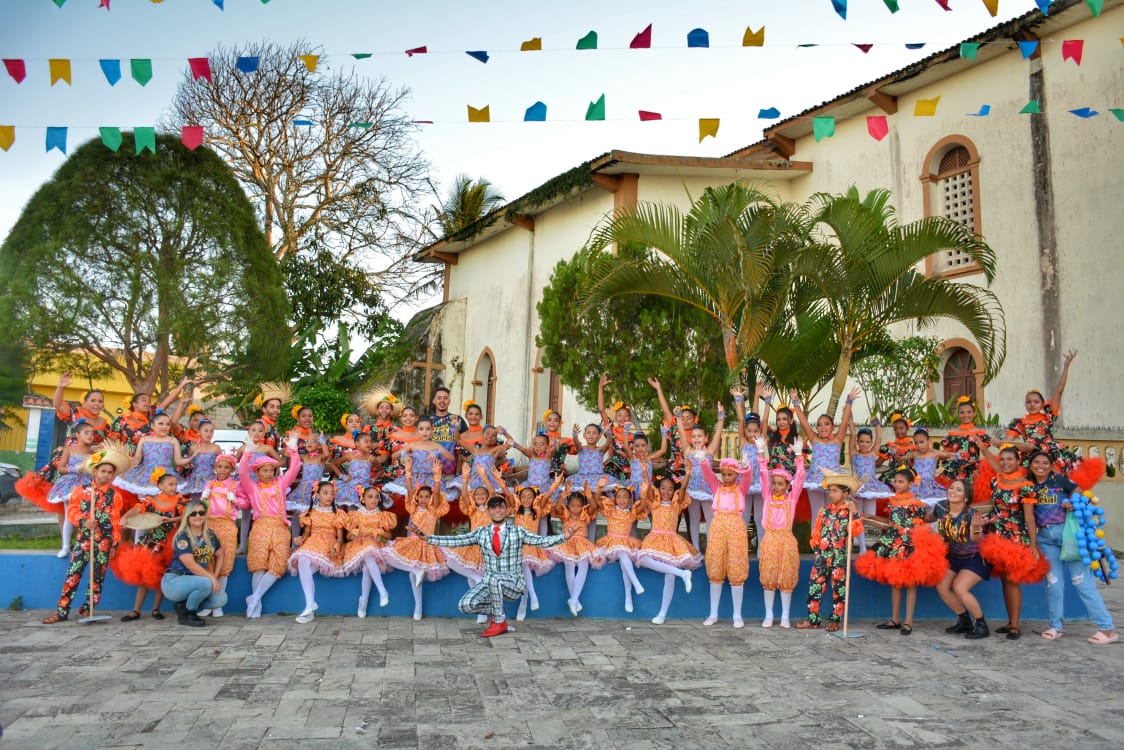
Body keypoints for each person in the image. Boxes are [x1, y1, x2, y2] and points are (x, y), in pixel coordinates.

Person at [411, 495, 576, 637]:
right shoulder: (482, 533)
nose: (497, 511)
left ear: (507, 510)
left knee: (494, 578)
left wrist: (564, 537)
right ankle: (500, 616)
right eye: (494, 508)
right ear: (489, 512)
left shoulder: (518, 532)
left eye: (501, 507)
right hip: (491, 583)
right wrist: (428, 538)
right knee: (465, 605)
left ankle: (497, 623)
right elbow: (457, 540)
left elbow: (541, 541)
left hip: (513, 583)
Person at [1028, 452, 1117, 645]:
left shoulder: (1060, 480)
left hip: (1071, 536)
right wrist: (1033, 544)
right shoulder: (1028, 485)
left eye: (1045, 462)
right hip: (1046, 539)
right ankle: (1056, 626)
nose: (1040, 466)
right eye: (1036, 462)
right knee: (1054, 584)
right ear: (1030, 465)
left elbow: (1080, 492)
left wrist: (1072, 502)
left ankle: (1107, 628)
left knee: (1082, 582)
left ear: (1051, 465)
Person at [42, 440, 131, 624]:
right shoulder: (81, 491)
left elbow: (115, 521)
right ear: (95, 471)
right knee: (73, 574)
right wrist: (83, 521)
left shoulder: (115, 496)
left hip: (104, 541)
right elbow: (72, 512)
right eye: (103, 471)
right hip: (84, 540)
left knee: (97, 578)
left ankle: (87, 609)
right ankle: (62, 611)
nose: (106, 475)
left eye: (110, 472)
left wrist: (115, 543)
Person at [855, 467, 949, 636]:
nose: (897, 484)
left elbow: (920, 525)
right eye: (895, 481)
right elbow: (890, 524)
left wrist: (907, 531)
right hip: (893, 543)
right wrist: (870, 518)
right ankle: (895, 619)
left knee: (910, 583)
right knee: (896, 582)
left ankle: (908, 622)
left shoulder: (915, 503)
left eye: (901, 482)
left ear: (910, 483)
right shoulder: (892, 501)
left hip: (909, 544)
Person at [974, 440, 1048, 640]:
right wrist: (984, 448)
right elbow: (995, 466)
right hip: (997, 534)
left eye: (1010, 459)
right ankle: (1010, 622)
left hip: (1015, 536)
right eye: (1003, 459)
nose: (1005, 462)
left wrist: (1033, 545)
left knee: (1012, 580)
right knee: (1005, 580)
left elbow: (1029, 517)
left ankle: (1015, 625)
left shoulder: (1025, 485)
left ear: (1018, 461)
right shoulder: (997, 479)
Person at [381, 457, 451, 620]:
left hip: (427, 545)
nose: (424, 499)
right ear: (417, 498)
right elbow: (409, 490)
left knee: (415, 575)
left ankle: (418, 606)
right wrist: (408, 473)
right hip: (412, 542)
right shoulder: (413, 508)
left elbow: (437, 495)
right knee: (391, 557)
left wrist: (437, 477)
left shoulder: (434, 510)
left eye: (427, 496)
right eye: (421, 496)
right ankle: (418, 605)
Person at [114, 468, 188, 622]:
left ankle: (156, 609)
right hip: (153, 541)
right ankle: (136, 610)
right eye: (170, 484)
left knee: (162, 575)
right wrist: (125, 517)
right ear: (160, 486)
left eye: (175, 484)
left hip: (170, 542)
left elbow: (188, 515)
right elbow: (137, 509)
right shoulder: (151, 501)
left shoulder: (180, 500)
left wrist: (172, 520)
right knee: (145, 575)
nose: (174, 487)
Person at [242, 434, 302, 619]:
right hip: (260, 526)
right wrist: (247, 452)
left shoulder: (281, 483)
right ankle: (256, 606)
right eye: (264, 470)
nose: (268, 473)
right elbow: (243, 472)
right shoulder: (252, 487)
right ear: (257, 473)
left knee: (278, 565)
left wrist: (293, 450)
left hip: (280, 527)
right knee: (258, 565)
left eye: (271, 470)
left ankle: (254, 597)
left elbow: (294, 469)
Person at [796, 470, 864, 632]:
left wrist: (854, 512)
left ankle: (835, 620)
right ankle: (813, 619)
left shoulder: (849, 512)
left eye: (835, 491)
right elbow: (816, 532)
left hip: (840, 556)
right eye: (830, 491)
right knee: (815, 587)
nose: (831, 494)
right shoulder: (824, 511)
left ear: (845, 493)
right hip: (822, 555)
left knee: (839, 589)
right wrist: (816, 550)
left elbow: (856, 531)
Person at [929, 479, 991, 639]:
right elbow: (929, 518)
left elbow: (976, 539)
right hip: (953, 557)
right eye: (952, 488)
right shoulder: (941, 507)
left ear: (966, 497)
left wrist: (976, 528)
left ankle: (981, 625)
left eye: (958, 490)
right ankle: (964, 621)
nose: (953, 491)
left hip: (975, 558)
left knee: (960, 588)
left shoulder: (972, 515)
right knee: (942, 587)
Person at [754, 436, 806, 629]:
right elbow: (762, 474)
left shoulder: (791, 500)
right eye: (774, 483)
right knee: (768, 578)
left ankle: (785, 615)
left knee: (786, 578)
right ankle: (769, 614)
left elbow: (800, 478)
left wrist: (799, 456)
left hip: (786, 541)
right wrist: (761, 453)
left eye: (780, 484)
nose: (776, 487)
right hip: (769, 540)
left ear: (787, 486)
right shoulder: (767, 497)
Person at [699, 454, 755, 628]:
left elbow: (748, 477)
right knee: (716, 565)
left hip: (736, 527)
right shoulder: (717, 487)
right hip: (718, 526)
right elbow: (708, 474)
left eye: (730, 474)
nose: (726, 477)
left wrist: (746, 467)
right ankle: (713, 613)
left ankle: (737, 615)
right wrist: (703, 461)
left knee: (736, 565)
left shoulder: (741, 488)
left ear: (737, 474)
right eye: (723, 474)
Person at [637, 472, 700, 625]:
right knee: (642, 559)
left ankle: (662, 614)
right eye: (663, 488)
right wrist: (644, 469)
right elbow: (648, 487)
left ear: (674, 491)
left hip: (672, 541)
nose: (666, 492)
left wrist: (688, 473)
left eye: (670, 489)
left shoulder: (676, 504)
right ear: (658, 489)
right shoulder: (655, 503)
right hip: (654, 539)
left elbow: (683, 489)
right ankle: (683, 574)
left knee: (669, 576)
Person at [790, 387, 858, 527]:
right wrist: (796, 403)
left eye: (826, 424)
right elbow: (804, 423)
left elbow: (844, 422)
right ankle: (815, 540)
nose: (823, 427)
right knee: (818, 514)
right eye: (819, 425)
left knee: (833, 513)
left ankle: (832, 539)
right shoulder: (814, 439)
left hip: (833, 480)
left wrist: (849, 401)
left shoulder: (837, 439)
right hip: (815, 480)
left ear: (833, 426)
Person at [160, 498, 229, 627]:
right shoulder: (183, 536)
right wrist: (211, 578)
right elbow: (190, 564)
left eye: (201, 513)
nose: (198, 516)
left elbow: (220, 555)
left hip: (196, 581)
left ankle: (183, 606)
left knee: (220, 599)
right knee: (206, 583)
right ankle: (189, 613)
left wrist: (215, 575)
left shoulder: (210, 535)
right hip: (174, 581)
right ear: (187, 517)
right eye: (193, 513)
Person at [1006, 350, 1078, 471]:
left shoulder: (1048, 416)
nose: (1032, 405)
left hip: (1050, 457)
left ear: (1042, 404)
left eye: (1036, 402)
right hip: (1030, 459)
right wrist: (1000, 444)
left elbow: (1059, 391)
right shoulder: (1019, 422)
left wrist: (1066, 367)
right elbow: (1008, 443)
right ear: (1025, 405)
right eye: (1029, 402)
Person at [289, 480, 346, 624]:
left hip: (327, 545)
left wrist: (335, 548)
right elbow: (306, 533)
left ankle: (310, 608)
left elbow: (340, 538)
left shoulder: (337, 513)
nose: (329, 496)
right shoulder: (311, 513)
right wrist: (300, 539)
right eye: (325, 493)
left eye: (332, 493)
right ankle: (310, 604)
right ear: (317, 495)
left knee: (305, 569)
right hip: (312, 543)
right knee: (302, 560)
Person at [507, 476, 564, 621]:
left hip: (531, 545)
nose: (526, 499)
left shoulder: (537, 510)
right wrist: (499, 480)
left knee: (524, 564)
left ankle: (528, 600)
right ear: (519, 498)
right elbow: (506, 493)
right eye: (523, 496)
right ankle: (528, 599)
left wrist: (555, 484)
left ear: (534, 498)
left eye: (530, 496)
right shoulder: (516, 510)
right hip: (516, 545)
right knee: (522, 569)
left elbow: (547, 496)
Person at [549, 482, 607, 616]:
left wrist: (589, 495)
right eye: (573, 505)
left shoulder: (585, 514)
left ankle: (574, 599)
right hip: (567, 543)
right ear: (568, 505)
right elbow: (556, 508)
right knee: (569, 566)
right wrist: (563, 496)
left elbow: (594, 507)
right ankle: (574, 600)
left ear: (582, 506)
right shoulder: (565, 514)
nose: (575, 508)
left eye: (578, 505)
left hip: (582, 543)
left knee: (583, 564)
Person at [342, 486, 397, 617]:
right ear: (363, 499)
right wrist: (353, 534)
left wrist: (381, 533)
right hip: (359, 546)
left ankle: (363, 601)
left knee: (368, 566)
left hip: (376, 546)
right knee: (368, 553)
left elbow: (389, 536)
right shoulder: (356, 515)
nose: (374, 500)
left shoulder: (382, 516)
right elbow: (348, 536)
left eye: (376, 497)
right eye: (370, 497)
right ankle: (382, 590)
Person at [594, 485, 649, 614]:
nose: (622, 500)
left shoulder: (631, 513)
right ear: (614, 498)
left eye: (625, 497)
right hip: (611, 543)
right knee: (622, 553)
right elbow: (597, 501)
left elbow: (643, 506)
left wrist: (644, 493)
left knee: (625, 560)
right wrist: (599, 488)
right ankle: (636, 583)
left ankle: (628, 597)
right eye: (618, 497)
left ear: (630, 499)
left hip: (626, 542)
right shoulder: (611, 510)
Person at [200, 454, 242, 617]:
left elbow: (246, 504)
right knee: (208, 562)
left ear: (232, 469)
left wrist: (235, 500)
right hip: (209, 525)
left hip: (227, 526)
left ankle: (218, 604)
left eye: (227, 467)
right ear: (215, 468)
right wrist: (203, 499)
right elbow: (202, 508)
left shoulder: (236, 485)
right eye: (220, 466)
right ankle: (208, 603)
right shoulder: (209, 484)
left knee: (224, 564)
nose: (223, 470)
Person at [681, 406, 726, 551]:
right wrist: (678, 417)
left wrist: (721, 417)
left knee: (710, 519)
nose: (696, 439)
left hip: (707, 491)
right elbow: (681, 431)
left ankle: (710, 549)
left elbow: (718, 433)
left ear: (706, 438)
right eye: (694, 436)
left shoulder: (710, 450)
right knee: (693, 519)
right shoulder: (688, 450)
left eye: (699, 436)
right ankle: (695, 549)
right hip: (692, 490)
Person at [849, 423, 893, 553]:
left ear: (871, 443)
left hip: (871, 488)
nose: (864, 444)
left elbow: (879, 437)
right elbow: (852, 435)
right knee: (858, 517)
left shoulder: (873, 453)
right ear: (857, 442)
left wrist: (878, 424)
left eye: (867, 442)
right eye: (861, 441)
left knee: (870, 517)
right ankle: (862, 547)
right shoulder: (853, 453)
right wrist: (850, 420)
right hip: (857, 488)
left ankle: (881, 543)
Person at [938, 397, 992, 487]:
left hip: (972, 470)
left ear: (974, 413)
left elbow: (985, 451)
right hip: (955, 470)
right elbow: (947, 452)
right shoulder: (952, 434)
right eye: (962, 412)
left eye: (969, 412)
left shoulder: (979, 433)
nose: (965, 415)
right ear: (958, 414)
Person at [428, 386, 467, 477]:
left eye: (445, 398)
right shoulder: (428, 420)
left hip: (451, 473)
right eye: (439, 398)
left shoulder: (457, 419)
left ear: (449, 401)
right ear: (434, 401)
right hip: (429, 472)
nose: (442, 401)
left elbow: (466, 443)